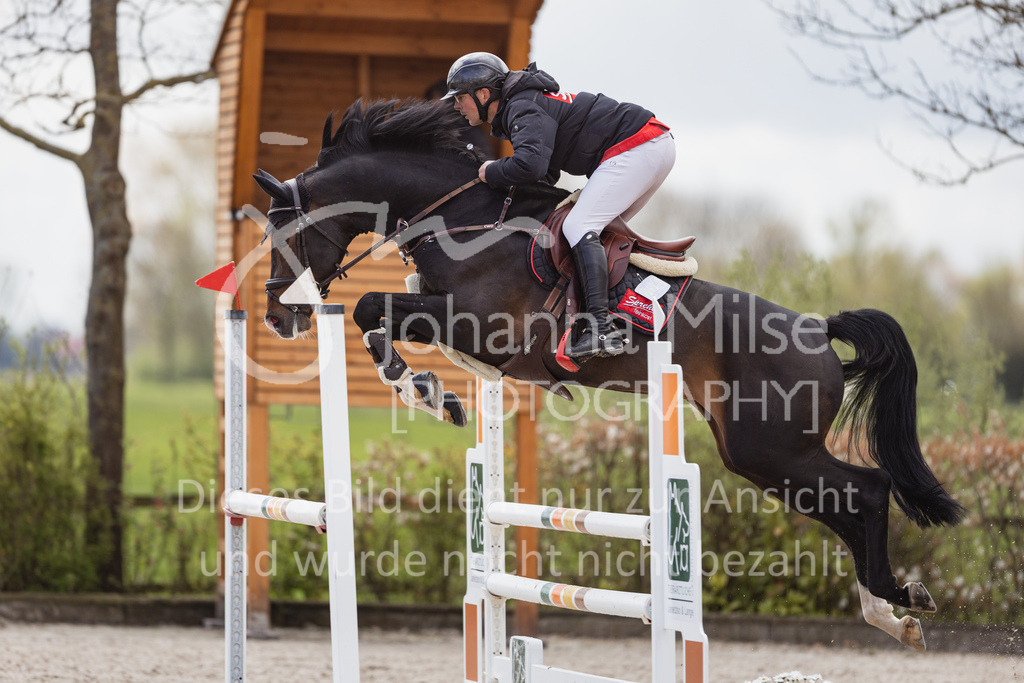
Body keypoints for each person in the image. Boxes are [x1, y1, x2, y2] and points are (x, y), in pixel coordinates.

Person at [443, 52, 675, 362]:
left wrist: (489, 170)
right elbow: (547, 174)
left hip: (638, 145)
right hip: (650, 145)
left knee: (578, 227)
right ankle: (625, 311)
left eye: (460, 97)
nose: (457, 105)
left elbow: (531, 167)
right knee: (595, 236)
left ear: (483, 94)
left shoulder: (521, 107)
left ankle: (600, 329)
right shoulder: (524, 105)